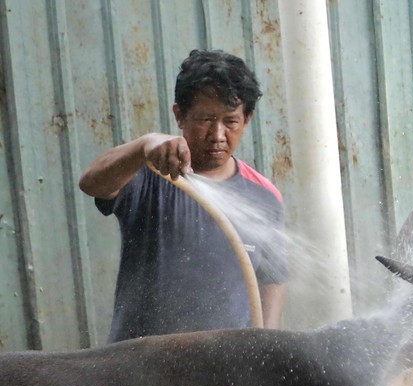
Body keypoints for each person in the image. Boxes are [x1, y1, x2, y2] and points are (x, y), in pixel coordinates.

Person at [79, 49, 289, 342]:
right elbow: (91, 183)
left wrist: (267, 345)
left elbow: (272, 278)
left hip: (226, 371)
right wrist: (144, 144)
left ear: (247, 119)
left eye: (231, 121)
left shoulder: (264, 197)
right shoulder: (147, 176)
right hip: (140, 367)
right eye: (205, 119)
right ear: (179, 115)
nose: (217, 134)